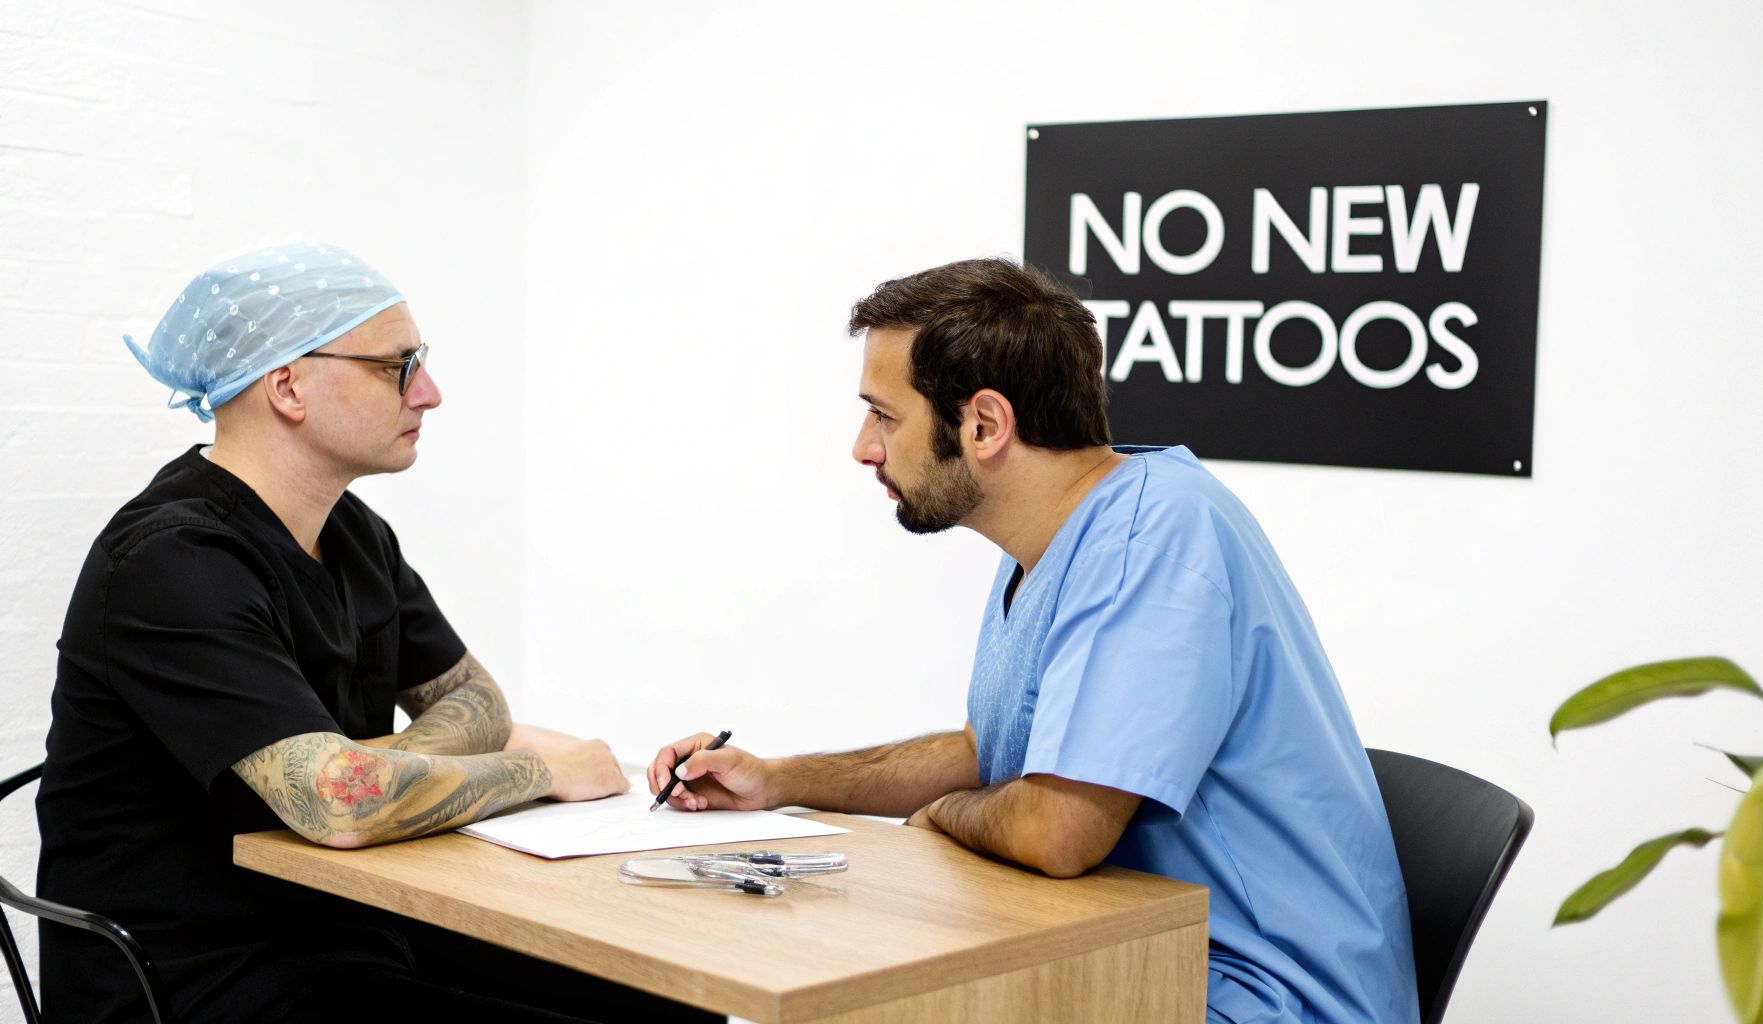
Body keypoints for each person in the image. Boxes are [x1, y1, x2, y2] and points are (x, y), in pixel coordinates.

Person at [649, 258, 1419, 1024]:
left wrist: (948, 813)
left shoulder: (1151, 535)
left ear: (985, 425)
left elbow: (1059, 831)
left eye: (884, 415)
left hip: (1261, 999)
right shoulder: (1054, 543)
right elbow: (990, 755)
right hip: (1130, 965)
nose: (863, 447)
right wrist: (777, 780)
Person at [37, 245, 717, 1023]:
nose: (428, 393)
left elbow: (473, 698)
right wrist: (533, 770)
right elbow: (341, 806)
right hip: (196, 976)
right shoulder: (174, 560)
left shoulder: (352, 531)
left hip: (347, 924)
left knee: (668, 1000)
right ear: (287, 385)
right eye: (397, 366)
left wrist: (368, 765)